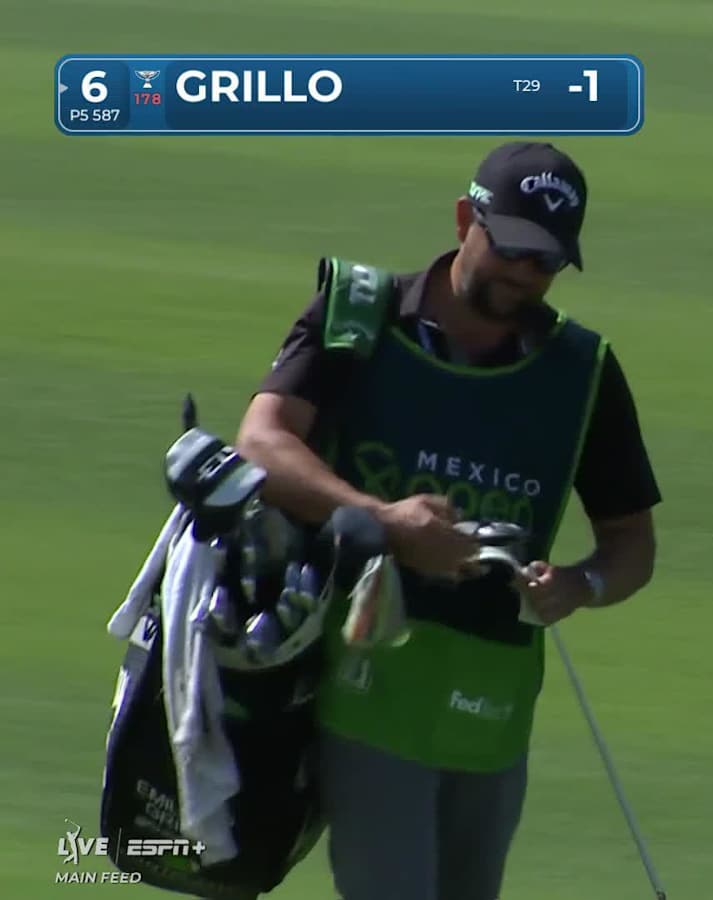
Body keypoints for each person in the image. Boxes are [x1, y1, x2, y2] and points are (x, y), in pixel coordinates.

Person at [234, 141, 662, 900]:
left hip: (493, 701)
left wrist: (581, 585)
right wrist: (387, 521)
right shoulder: (359, 314)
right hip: (361, 675)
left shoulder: (583, 370)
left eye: (547, 262)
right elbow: (262, 444)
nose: (525, 276)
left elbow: (631, 543)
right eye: (513, 250)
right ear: (467, 218)